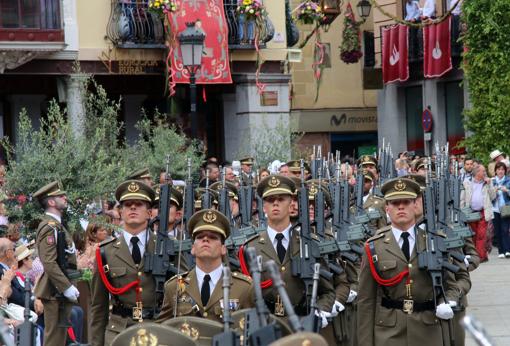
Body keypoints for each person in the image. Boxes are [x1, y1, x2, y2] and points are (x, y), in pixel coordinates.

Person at [357, 177, 459, 346]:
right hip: (389, 333)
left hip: (428, 329)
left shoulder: (435, 241)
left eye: (406, 201)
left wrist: (448, 301)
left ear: (415, 205)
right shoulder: (374, 246)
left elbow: (451, 285)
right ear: (387, 208)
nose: (401, 207)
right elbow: (366, 301)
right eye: (395, 203)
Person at [240, 175, 338, 329]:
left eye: (281, 199)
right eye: (270, 200)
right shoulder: (250, 248)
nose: (276, 203)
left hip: (302, 324)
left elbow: (327, 291)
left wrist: (319, 313)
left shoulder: (310, 243)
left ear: (292, 203)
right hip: (265, 327)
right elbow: (244, 293)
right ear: (264, 206)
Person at [90, 180, 157, 346]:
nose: (133, 208)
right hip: (119, 331)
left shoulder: (165, 249)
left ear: (149, 213)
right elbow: (99, 307)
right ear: (120, 211)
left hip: (158, 329)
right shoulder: (106, 252)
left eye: (139, 204)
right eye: (128, 205)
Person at [157, 209, 254, 322]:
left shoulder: (244, 287)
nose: (205, 239)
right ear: (193, 248)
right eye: (199, 237)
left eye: (213, 237)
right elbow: (163, 328)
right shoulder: (175, 286)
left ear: (223, 249)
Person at [32, 181, 79, 346]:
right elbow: (49, 262)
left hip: (58, 289)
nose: (65, 198)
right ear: (51, 202)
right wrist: (66, 287)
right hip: (55, 290)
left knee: (60, 338)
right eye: (60, 196)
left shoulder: (58, 225)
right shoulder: (49, 227)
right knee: (54, 340)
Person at [460, 164, 496, 262]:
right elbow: (462, 199)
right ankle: (475, 255)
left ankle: (480, 256)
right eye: (483, 171)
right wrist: (462, 211)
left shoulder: (487, 182)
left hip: (483, 212)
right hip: (470, 212)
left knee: (481, 234)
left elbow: (493, 197)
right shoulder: (466, 183)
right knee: (473, 234)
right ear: (477, 173)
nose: (485, 173)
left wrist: (489, 184)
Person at [491, 162, 510, 258]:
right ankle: (500, 251)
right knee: (497, 231)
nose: (500, 171)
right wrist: (493, 191)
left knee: (505, 230)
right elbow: (488, 196)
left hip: (506, 208)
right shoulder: (492, 181)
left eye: (502, 169)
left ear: (505, 171)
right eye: (498, 169)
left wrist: (507, 190)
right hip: (495, 209)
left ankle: (507, 250)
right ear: (495, 171)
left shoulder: (508, 180)